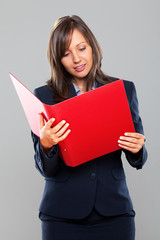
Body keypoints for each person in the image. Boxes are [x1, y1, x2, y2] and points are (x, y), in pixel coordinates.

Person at [31, 15, 147, 240]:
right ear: (58, 60)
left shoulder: (123, 89)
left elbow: (139, 159)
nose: (76, 58)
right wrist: (46, 146)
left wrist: (137, 149)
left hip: (114, 213)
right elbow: (46, 168)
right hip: (61, 216)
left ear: (92, 47)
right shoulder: (44, 97)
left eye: (81, 48)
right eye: (66, 54)